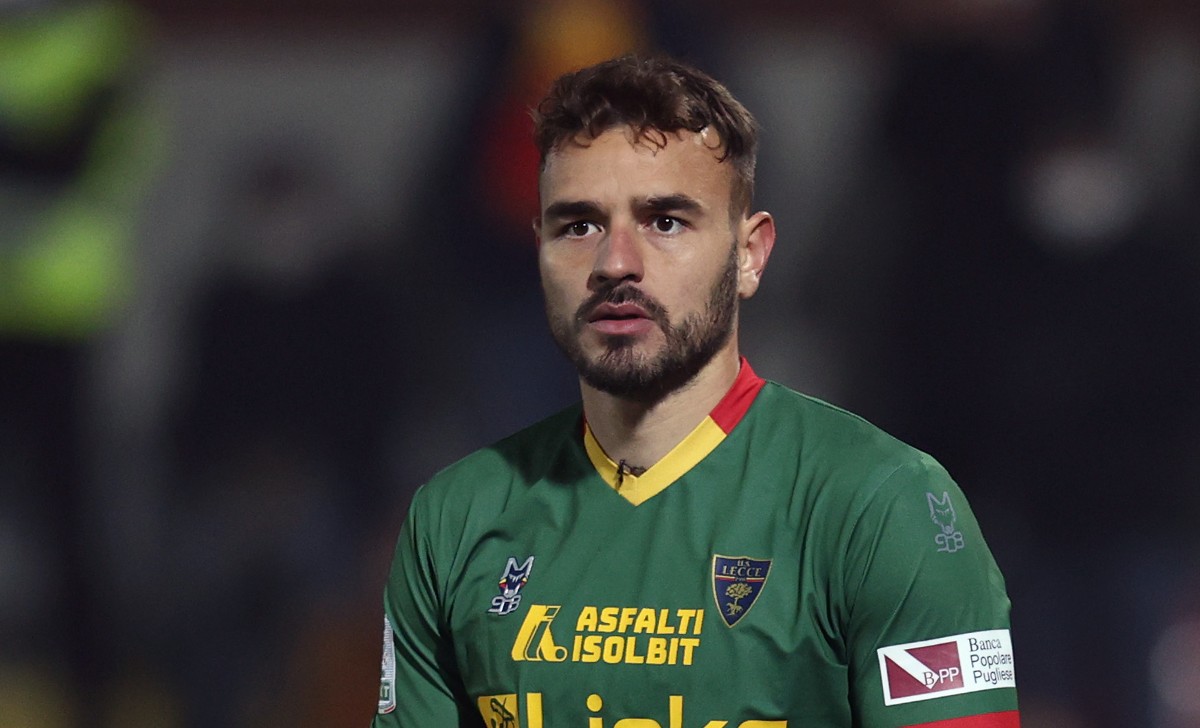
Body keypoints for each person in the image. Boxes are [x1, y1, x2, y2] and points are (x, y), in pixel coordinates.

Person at [373, 54, 1019, 728]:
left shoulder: (885, 506)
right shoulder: (454, 520)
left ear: (750, 254)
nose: (615, 263)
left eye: (666, 222)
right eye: (579, 225)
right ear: (539, 250)